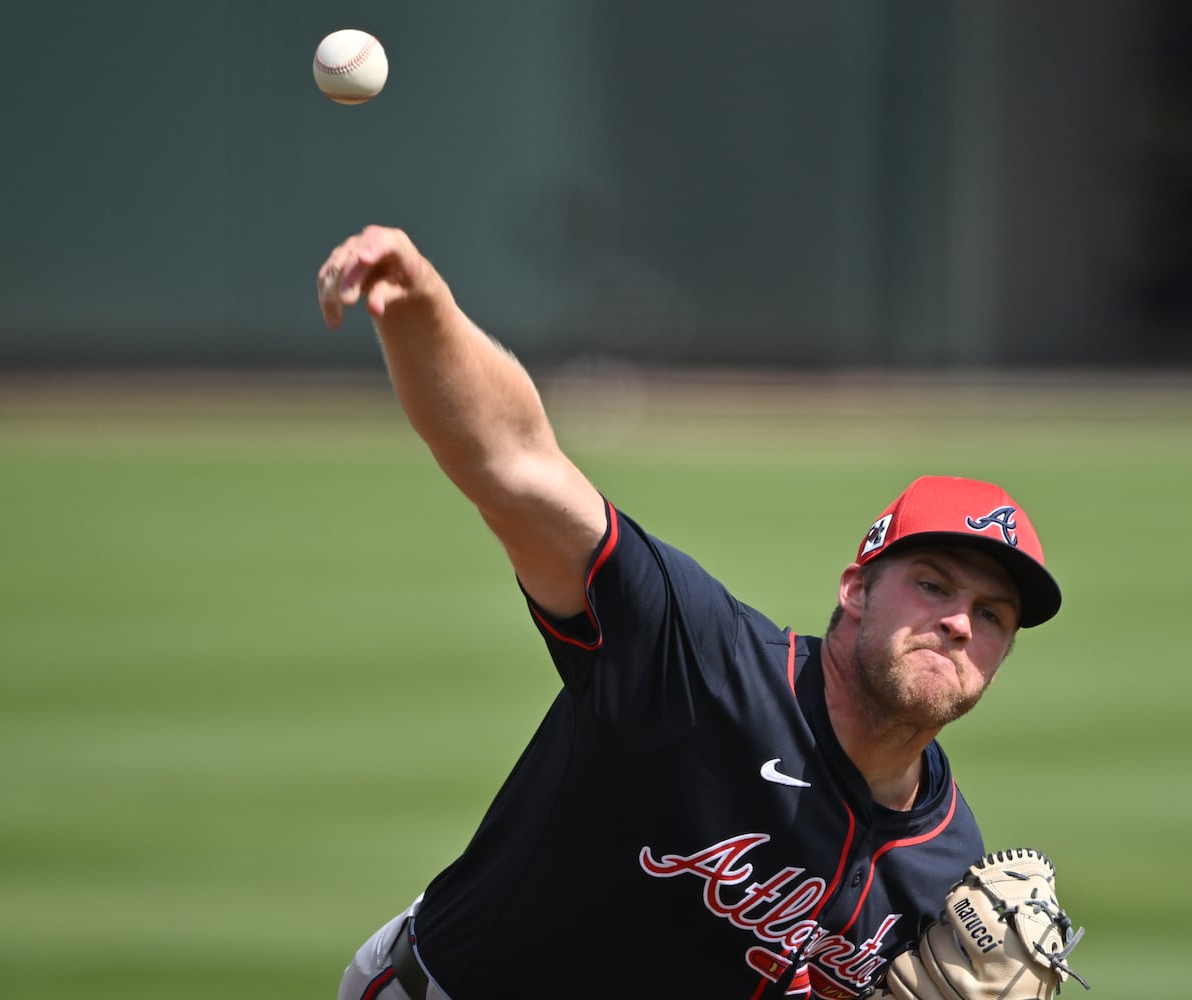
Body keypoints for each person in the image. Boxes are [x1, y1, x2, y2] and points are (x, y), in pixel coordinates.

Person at [319, 226, 1063, 1000]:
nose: (959, 624)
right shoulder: (699, 664)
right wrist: (421, 311)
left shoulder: (946, 863)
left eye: (993, 615)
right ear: (856, 589)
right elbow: (518, 468)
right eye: (935, 585)